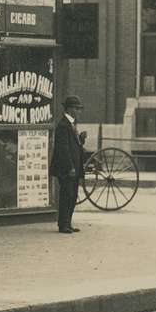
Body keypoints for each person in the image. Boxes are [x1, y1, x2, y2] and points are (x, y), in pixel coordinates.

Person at [50, 95, 86, 234]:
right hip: (67, 168)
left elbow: (73, 146)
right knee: (67, 195)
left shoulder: (71, 124)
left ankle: (68, 223)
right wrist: (70, 167)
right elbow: (63, 149)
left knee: (73, 195)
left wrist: (81, 140)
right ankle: (63, 224)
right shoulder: (63, 126)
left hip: (74, 168)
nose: (79, 111)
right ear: (70, 109)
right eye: (77, 109)